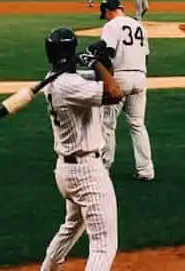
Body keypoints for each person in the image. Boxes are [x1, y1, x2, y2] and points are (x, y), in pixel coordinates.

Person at [38, 27, 124, 271]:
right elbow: (115, 92)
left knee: (72, 227)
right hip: (87, 173)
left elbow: (104, 80)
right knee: (103, 245)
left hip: (67, 170)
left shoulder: (56, 80)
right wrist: (96, 63)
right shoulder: (69, 85)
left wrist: (101, 63)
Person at [98, 0, 154, 182]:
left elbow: (107, 55)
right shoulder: (139, 26)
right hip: (140, 77)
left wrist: (107, 80)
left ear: (109, 11)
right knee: (138, 125)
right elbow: (146, 57)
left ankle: (104, 169)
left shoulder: (111, 26)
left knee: (107, 124)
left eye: (105, 13)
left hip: (120, 77)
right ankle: (146, 170)